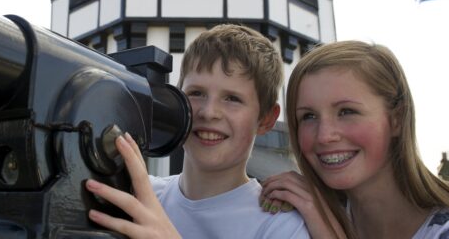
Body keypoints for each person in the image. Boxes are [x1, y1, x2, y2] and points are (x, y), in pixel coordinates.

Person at [259, 40, 449, 239]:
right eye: (308, 116)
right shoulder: (296, 222)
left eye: (347, 112)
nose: (325, 136)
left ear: (396, 119)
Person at [85, 24, 311, 238]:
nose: (209, 112)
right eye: (196, 93)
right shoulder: (138, 193)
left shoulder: (280, 224)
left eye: (232, 98)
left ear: (266, 119)